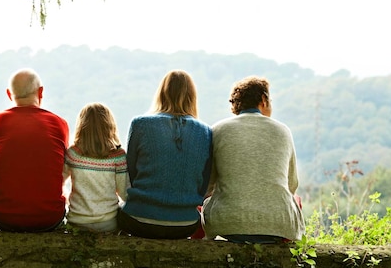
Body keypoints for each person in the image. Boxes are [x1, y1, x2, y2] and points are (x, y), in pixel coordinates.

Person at [201, 76, 305, 244]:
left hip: (227, 224)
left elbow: (208, 186)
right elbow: (291, 184)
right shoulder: (283, 131)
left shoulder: (218, 130)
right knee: (295, 199)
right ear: (263, 99)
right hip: (278, 225)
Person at [118, 70, 212, 239]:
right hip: (185, 224)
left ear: (161, 93)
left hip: (138, 219)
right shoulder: (205, 132)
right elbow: (203, 184)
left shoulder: (140, 124)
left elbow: (131, 172)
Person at [0, 68, 69, 232]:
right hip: (49, 217)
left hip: (2, 218)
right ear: (40, 92)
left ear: (9, 94)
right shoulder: (59, 124)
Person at [63, 103, 130, 232]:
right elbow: (124, 193)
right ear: (109, 126)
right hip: (108, 222)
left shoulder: (73, 153)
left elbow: (59, 181)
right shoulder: (118, 156)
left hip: (77, 221)